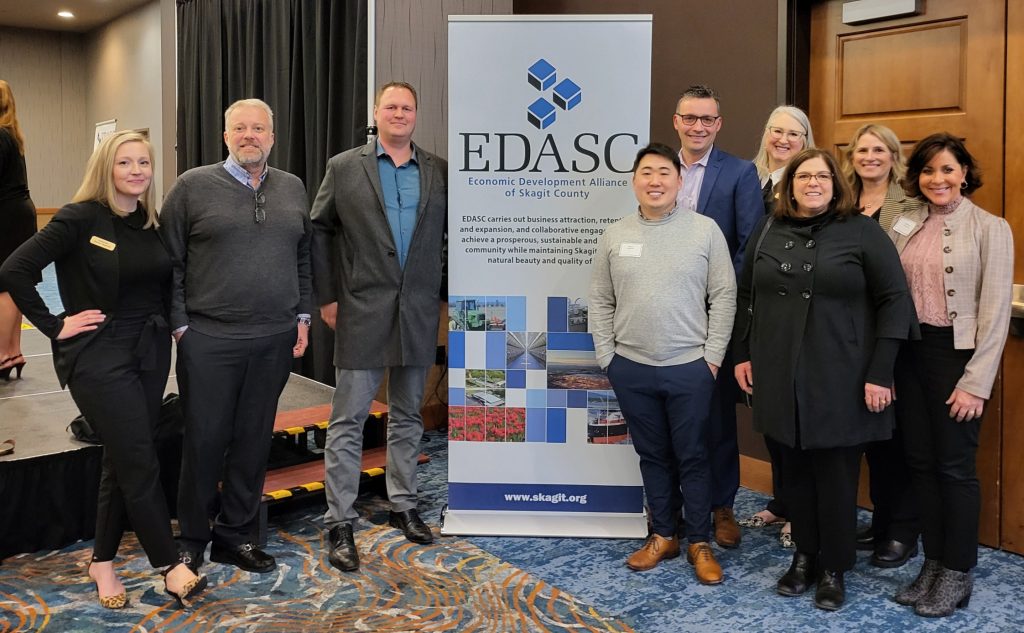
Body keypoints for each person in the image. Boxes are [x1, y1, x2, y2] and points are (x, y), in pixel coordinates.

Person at [0, 131, 207, 608]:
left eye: (143, 163)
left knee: (123, 455)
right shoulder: (79, 218)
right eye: (124, 163)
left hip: (150, 350)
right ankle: (169, 564)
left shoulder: (151, 222)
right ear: (105, 169)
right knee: (139, 457)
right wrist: (54, 325)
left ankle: (103, 562)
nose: (136, 171)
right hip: (97, 353)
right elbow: (14, 269)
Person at [733, 148, 916, 611]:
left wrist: (880, 372)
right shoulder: (769, 226)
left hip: (843, 372)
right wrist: (743, 353)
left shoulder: (862, 231)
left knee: (835, 474)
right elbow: (747, 293)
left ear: (837, 184)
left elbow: (895, 301)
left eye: (822, 176)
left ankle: (834, 567)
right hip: (777, 368)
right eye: (803, 176)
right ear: (788, 184)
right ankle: (804, 557)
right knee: (792, 470)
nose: (812, 182)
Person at [161, 98, 312, 575]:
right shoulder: (192, 187)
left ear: (273, 136)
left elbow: (304, 257)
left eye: (259, 129)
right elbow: (170, 262)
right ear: (225, 136)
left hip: (273, 339)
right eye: (240, 128)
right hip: (209, 339)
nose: (250, 136)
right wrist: (182, 325)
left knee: (252, 441)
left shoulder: (293, 187)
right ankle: (191, 539)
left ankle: (236, 537)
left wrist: (302, 317)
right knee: (203, 443)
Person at [310, 81, 447, 572]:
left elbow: (446, 238)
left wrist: (443, 293)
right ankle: (339, 519)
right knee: (348, 419)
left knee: (409, 413)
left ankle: (403, 504)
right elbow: (320, 230)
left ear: (416, 115)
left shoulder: (438, 171)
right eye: (391, 106)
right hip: (361, 309)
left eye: (407, 107)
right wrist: (327, 296)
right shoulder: (345, 167)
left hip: (417, 312)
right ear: (377, 112)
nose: (399, 113)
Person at [589, 143, 736, 584]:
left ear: (679, 181)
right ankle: (663, 534)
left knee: (693, 455)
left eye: (664, 173)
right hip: (630, 366)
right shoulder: (614, 235)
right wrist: (607, 357)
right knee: (652, 454)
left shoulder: (705, 231)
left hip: (690, 365)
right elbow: (599, 299)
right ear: (634, 181)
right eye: (647, 173)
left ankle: (699, 541)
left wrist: (711, 358)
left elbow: (724, 296)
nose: (655, 181)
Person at [888, 133, 1013, 618]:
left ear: (964, 174)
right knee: (919, 462)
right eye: (927, 171)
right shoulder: (905, 223)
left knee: (954, 468)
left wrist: (976, 381)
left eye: (947, 169)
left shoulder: (990, 227)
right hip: (908, 355)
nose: (936, 179)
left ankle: (957, 572)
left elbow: (995, 311)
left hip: (955, 359)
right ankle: (933, 563)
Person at [671, 84, 764, 548]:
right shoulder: (659, 169)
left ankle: (721, 506)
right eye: (691, 118)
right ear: (677, 122)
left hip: (715, 314)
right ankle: (674, 507)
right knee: (672, 414)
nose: (699, 127)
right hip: (663, 315)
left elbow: (749, 246)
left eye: (707, 119)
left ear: (719, 124)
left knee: (716, 416)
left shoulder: (740, 173)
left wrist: (721, 299)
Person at [842, 123, 924, 568]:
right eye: (861, 149)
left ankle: (903, 529)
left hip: (894, 333)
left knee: (897, 436)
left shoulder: (913, 205)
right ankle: (879, 520)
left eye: (879, 149)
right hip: (850, 336)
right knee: (870, 435)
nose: (869, 156)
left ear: (893, 155)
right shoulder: (841, 203)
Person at [740, 105, 816, 546]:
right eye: (776, 131)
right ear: (765, 134)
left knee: (796, 421)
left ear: (806, 140)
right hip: (757, 309)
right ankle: (782, 500)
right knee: (769, 416)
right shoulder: (749, 179)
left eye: (793, 133)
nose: (783, 139)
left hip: (794, 313)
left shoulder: (808, 183)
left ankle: (800, 509)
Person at [0, 80, 37, 380]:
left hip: (7, 214)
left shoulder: (0, 136)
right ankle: (14, 351)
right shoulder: (13, 135)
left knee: (3, 286)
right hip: (20, 211)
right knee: (12, 283)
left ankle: (2, 354)